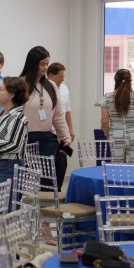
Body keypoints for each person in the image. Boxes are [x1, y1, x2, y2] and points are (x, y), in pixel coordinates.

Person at [19, 46, 71, 165]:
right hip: (25, 139)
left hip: (48, 138)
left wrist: (65, 137)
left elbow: (58, 116)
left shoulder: (51, 85)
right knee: (30, 178)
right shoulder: (19, 84)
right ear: (32, 63)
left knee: (53, 175)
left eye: (47, 64)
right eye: (42, 64)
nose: (45, 68)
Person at [101, 68, 134, 163]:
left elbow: (104, 122)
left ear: (115, 81)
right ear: (130, 81)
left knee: (117, 168)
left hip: (115, 136)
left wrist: (107, 134)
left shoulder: (107, 97)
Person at [48, 62, 75, 191]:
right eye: (60, 76)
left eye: (64, 76)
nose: (63, 79)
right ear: (51, 75)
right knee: (50, 164)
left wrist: (71, 129)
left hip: (63, 133)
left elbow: (67, 110)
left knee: (62, 163)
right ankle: (49, 192)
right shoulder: (44, 89)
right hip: (49, 133)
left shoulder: (64, 88)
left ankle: (58, 190)